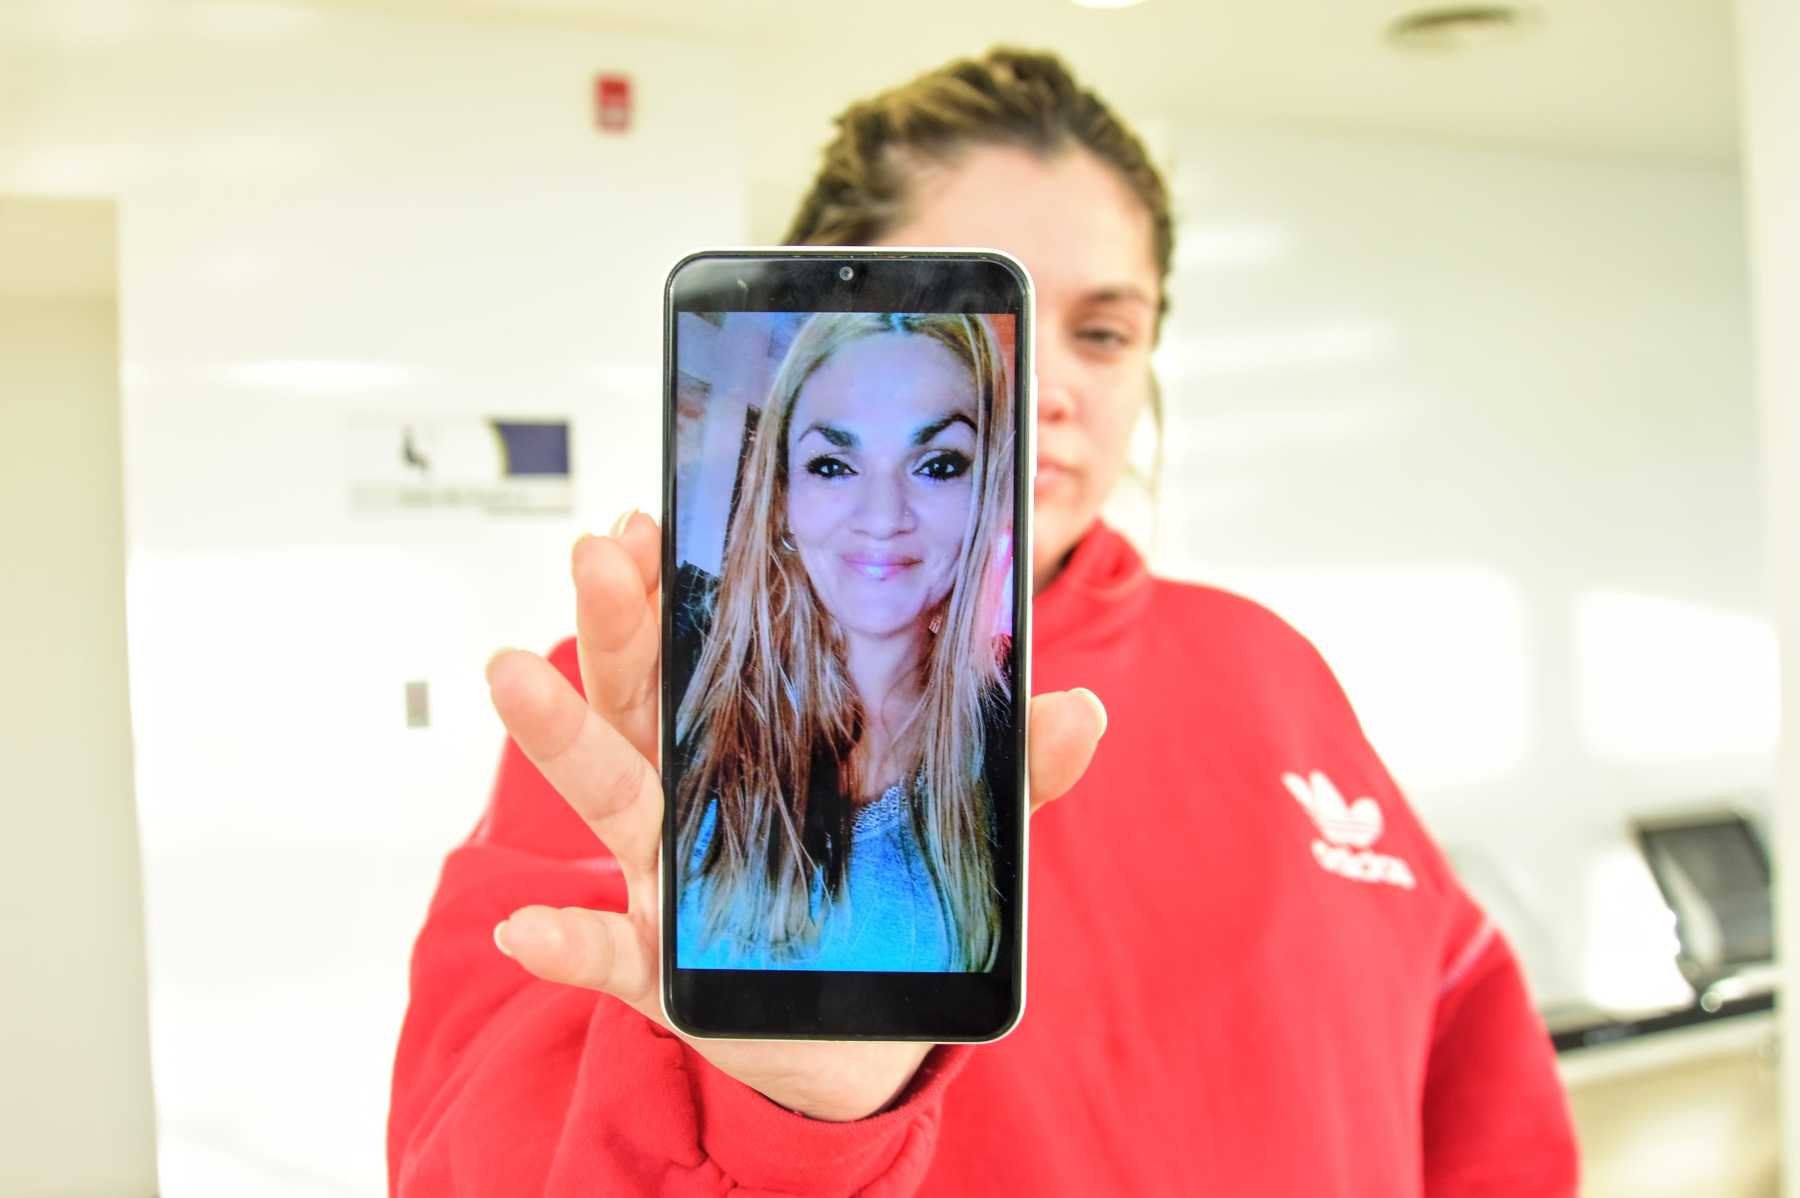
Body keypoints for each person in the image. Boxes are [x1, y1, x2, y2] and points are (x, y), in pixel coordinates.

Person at [388, 48, 1580, 1195]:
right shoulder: (642, 718)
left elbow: (1473, 1066)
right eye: (973, 305)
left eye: (1105, 330)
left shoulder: (1267, 661)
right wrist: (776, 1123)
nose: (1048, 386)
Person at [672, 312, 1017, 971]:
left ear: (987, 499)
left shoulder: (1012, 746)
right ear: (781, 504)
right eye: (833, 465)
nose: (882, 517)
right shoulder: (683, 695)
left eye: (939, 464)